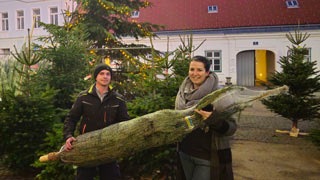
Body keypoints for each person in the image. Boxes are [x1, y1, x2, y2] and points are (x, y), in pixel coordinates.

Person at [63, 64, 130, 180]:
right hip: (86, 145)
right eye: (102, 74)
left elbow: (125, 123)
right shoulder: (83, 97)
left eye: (108, 74)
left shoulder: (118, 99)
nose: (105, 77)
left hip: (109, 145)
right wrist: (68, 136)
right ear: (96, 77)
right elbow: (71, 118)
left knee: (112, 176)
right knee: (84, 177)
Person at [175, 56, 237, 180]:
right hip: (184, 152)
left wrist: (213, 119)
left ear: (207, 72)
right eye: (192, 69)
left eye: (199, 70)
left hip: (207, 157)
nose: (195, 73)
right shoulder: (183, 93)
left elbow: (232, 128)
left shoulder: (219, 95)